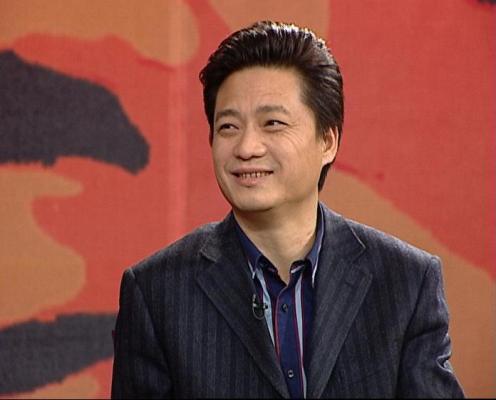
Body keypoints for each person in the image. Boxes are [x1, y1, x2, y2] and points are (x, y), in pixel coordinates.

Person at [111, 21, 464, 398]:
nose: (246, 147)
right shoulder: (157, 292)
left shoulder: (405, 282)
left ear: (327, 141)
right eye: (228, 126)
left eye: (273, 124)